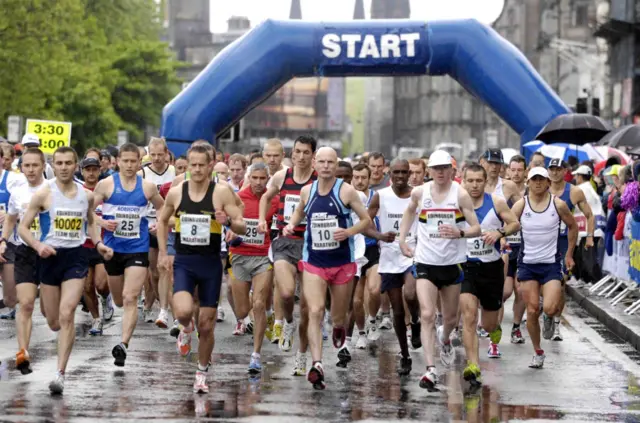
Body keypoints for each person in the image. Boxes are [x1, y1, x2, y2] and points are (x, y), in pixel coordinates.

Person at [18, 146, 113, 394]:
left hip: (75, 257)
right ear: (54, 164)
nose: (63, 167)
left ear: (75, 166)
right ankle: (62, 334)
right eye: (58, 163)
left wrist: (100, 243)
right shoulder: (43, 193)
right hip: (49, 257)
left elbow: (91, 223)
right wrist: (38, 246)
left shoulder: (85, 195)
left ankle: (60, 373)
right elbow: (23, 229)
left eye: (68, 163)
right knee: (53, 321)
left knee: (67, 311)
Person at [157, 144, 245, 394]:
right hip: (184, 261)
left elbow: (241, 226)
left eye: (201, 165)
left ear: (210, 166)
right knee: (184, 312)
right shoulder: (176, 192)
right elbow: (162, 221)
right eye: (192, 164)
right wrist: (164, 253)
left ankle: (201, 372)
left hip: (210, 263)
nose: (196, 169)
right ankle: (185, 329)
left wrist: (228, 222)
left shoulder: (222, 192)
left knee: (207, 325)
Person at [284, 147, 371, 389]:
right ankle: (317, 363)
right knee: (315, 310)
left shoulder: (346, 191)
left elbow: (366, 220)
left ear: (336, 165)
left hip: (342, 262)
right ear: (314, 163)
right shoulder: (306, 191)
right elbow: (300, 212)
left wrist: (349, 232)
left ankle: (340, 329)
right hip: (314, 262)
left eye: (330, 162)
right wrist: (291, 224)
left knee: (338, 317)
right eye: (321, 162)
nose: (325, 166)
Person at [399, 150, 481, 390]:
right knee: (426, 315)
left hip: (452, 264)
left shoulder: (461, 195)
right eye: (436, 168)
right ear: (429, 171)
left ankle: (445, 339)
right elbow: (408, 213)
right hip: (425, 262)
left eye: (445, 168)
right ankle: (430, 370)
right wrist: (403, 239)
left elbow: (476, 227)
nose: (441, 172)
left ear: (452, 170)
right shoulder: (420, 192)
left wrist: (461, 232)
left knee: (451, 318)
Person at [92, 143, 164, 367]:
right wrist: (102, 221)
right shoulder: (106, 185)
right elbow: (86, 212)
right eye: (126, 161)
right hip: (112, 250)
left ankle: (123, 344)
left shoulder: (148, 187)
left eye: (134, 161)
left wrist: (157, 224)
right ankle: (112, 306)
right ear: (118, 161)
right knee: (120, 300)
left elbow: (163, 208)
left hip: (137, 248)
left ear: (139, 162)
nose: (130, 165)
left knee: (131, 297)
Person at [258, 135, 317, 376]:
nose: (301, 156)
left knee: (306, 306)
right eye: (297, 151)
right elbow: (265, 196)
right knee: (284, 292)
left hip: (310, 243)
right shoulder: (282, 176)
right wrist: (263, 219)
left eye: (306, 152)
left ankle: (302, 355)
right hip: (284, 240)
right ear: (292, 154)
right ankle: (289, 324)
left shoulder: (318, 179)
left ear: (313, 155)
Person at [459, 163, 520, 384]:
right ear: (462, 181)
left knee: (488, 324)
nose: (474, 185)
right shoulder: (456, 203)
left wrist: (499, 232)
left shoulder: (495, 202)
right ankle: (473, 365)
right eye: (470, 180)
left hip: (491, 268)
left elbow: (515, 223)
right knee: (469, 317)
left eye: (478, 181)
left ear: (485, 182)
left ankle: (494, 332)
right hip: (466, 267)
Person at [512, 167, 577, 369]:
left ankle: (549, 317)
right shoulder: (521, 205)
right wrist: (499, 238)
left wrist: (569, 254)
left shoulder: (558, 205)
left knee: (549, 307)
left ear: (548, 182)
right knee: (532, 310)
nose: (538, 183)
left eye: (542, 179)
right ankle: (538, 352)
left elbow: (573, 226)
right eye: (534, 179)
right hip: (528, 265)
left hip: (550, 264)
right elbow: (507, 224)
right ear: (528, 182)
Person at [372, 159, 422, 376]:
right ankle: (405, 354)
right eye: (396, 172)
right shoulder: (380, 196)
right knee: (397, 311)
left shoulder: (418, 195)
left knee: (410, 294)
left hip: (413, 254)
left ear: (410, 173)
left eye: (404, 172)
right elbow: (364, 222)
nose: (401, 176)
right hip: (390, 258)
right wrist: (379, 235)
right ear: (389, 173)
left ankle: (417, 322)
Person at [0, 148, 47, 373]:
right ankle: (23, 352)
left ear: (43, 166)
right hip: (24, 252)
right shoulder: (18, 192)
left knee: (51, 315)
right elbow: (10, 220)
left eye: (34, 165)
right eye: (26, 166)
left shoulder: (53, 190)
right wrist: (3, 240)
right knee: (25, 304)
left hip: (50, 253)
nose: (30, 170)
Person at [228, 163, 278, 373]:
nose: (258, 183)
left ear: (268, 178)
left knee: (258, 303)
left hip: (262, 257)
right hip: (239, 257)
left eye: (262, 178)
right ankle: (257, 318)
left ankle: (256, 355)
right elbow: (226, 221)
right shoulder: (238, 197)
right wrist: (229, 231)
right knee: (242, 311)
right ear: (249, 177)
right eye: (255, 178)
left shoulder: (274, 199)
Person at [547, 158, 594, 341]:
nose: (555, 172)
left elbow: (589, 215)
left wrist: (589, 236)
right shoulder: (541, 188)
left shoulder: (574, 192)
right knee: (545, 284)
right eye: (552, 169)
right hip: (544, 242)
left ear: (565, 170)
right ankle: (547, 311)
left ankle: (557, 323)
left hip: (564, 243)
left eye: (559, 169)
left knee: (560, 283)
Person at [139, 137, 176, 326]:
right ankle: (154, 303)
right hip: (148, 224)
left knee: (167, 269)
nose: (156, 158)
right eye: (152, 155)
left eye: (159, 154)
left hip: (168, 224)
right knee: (153, 272)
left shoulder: (174, 172)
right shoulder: (143, 173)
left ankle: (165, 308)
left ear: (166, 153)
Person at [79, 157, 114, 335]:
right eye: (88, 170)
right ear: (82, 171)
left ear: (100, 171)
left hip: (101, 244)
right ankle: (96, 319)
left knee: (100, 284)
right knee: (86, 287)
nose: (91, 173)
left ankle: (107, 298)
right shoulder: (78, 191)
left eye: (94, 169)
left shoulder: (106, 191)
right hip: (83, 245)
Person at [0, 146, 28, 321]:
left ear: (2, 159)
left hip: (8, 243)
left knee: (10, 299)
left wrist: (11, 215)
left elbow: (27, 207)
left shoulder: (14, 180)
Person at [506, 155, 528, 344]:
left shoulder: (532, 191)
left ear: (525, 171)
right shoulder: (503, 191)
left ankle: (515, 328)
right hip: (504, 248)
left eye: (519, 170)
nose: (515, 173)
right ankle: (488, 322)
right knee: (504, 292)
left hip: (523, 248)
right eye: (513, 170)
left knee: (520, 290)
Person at [571, 165, 605, 283]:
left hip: (589, 228)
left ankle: (595, 281)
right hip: (592, 227)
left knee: (588, 258)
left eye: (576, 175)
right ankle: (584, 279)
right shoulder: (589, 188)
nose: (575, 178)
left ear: (580, 176)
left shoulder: (581, 189)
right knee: (582, 256)